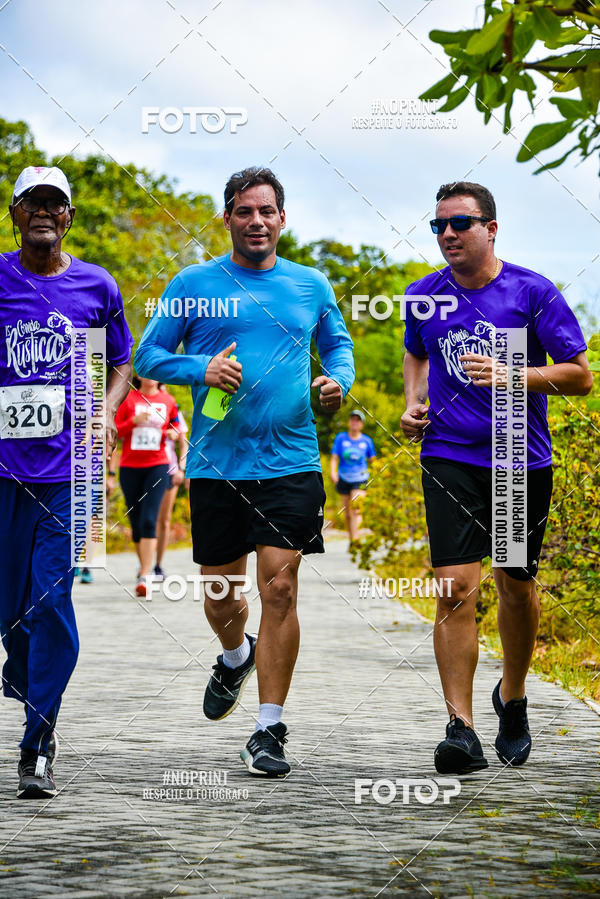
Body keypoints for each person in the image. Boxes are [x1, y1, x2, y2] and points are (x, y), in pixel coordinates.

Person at [135, 166, 354, 776]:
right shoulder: (193, 284)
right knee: (220, 594)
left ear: (282, 218)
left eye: (266, 211)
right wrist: (200, 368)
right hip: (217, 464)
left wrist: (338, 380)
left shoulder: (310, 284)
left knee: (280, 588)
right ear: (227, 218)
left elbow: (338, 346)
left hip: (290, 460)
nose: (256, 221)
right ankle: (235, 655)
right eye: (244, 211)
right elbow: (147, 354)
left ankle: (269, 728)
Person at [400, 181, 593, 774]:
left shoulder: (531, 292)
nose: (448, 234)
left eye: (460, 223)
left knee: (514, 584)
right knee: (454, 587)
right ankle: (460, 728)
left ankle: (513, 694)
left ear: (491, 228)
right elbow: (417, 352)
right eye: (438, 226)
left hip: (515, 456)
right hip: (449, 454)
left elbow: (580, 376)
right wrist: (413, 402)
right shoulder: (423, 295)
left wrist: (515, 375)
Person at [0, 165, 133, 797]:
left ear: (70, 217)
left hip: (69, 471)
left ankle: (38, 741)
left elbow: (121, 358)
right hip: (4, 471)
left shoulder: (96, 285)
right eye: (33, 203)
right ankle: (27, 676)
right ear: (15, 214)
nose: (45, 213)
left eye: (56, 204)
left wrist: (104, 410)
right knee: (10, 611)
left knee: (50, 600)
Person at [115, 377, 180, 596]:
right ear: (140, 374)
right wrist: (133, 421)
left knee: (149, 520)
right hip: (130, 466)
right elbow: (115, 431)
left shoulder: (168, 400)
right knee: (136, 522)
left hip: (158, 465)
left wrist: (172, 432)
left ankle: (144, 575)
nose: (151, 377)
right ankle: (143, 565)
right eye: (147, 372)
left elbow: (176, 427)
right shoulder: (128, 399)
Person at [154, 395, 188, 581]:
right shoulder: (140, 405)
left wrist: (181, 469)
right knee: (147, 518)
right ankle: (144, 561)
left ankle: (158, 564)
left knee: (164, 519)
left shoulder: (173, 408)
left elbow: (184, 444)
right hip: (147, 469)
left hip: (170, 469)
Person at [330, 410, 375, 546]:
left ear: (362, 424)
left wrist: (377, 476)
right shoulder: (341, 438)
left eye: (358, 420)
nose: (354, 422)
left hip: (360, 478)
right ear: (349, 422)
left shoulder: (367, 441)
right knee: (347, 512)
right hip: (344, 477)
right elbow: (334, 458)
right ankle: (352, 539)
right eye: (352, 419)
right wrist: (333, 472)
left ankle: (356, 540)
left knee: (356, 509)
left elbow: (373, 461)